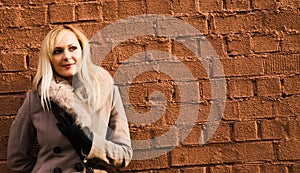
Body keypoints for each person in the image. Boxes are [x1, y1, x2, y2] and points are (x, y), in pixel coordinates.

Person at [7, 25, 133, 173]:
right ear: (49, 59)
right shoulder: (37, 98)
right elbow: (16, 159)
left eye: (72, 48)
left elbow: (124, 154)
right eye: (57, 51)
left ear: (82, 52)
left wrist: (90, 144)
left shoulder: (107, 91)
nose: (66, 56)